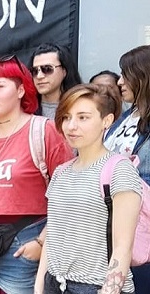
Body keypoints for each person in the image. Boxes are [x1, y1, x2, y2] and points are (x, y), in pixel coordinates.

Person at [0, 55, 74, 294]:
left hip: (24, 243)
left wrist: (42, 242)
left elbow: (67, 194)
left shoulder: (43, 130)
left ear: (21, 90)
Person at [36, 84, 142, 294]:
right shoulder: (61, 171)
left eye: (83, 117)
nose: (71, 126)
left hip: (96, 285)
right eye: (66, 117)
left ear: (107, 121)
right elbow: (54, 235)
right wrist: (39, 284)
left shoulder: (119, 169)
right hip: (54, 283)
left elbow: (123, 246)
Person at [104, 45, 150, 292]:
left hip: (142, 226)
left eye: (126, 74)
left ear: (143, 75)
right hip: (114, 221)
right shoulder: (127, 115)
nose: (119, 81)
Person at [29, 43, 82, 120]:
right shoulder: (24, 108)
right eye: (34, 71)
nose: (39, 76)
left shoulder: (83, 105)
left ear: (64, 71)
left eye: (47, 69)